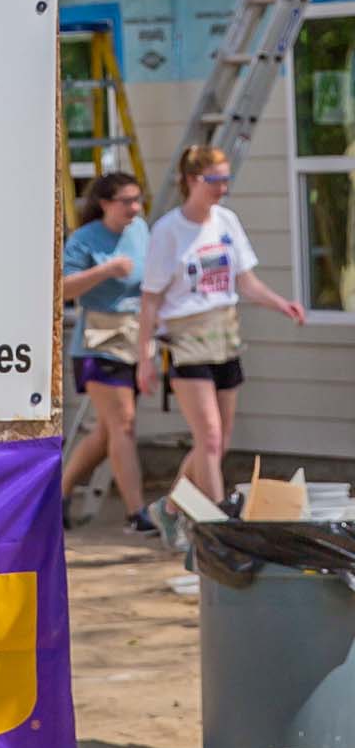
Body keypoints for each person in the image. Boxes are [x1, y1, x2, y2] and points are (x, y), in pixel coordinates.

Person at [137, 144, 305, 508]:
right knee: (209, 436)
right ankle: (218, 519)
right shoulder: (168, 231)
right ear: (193, 180)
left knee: (218, 440)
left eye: (226, 180)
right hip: (186, 338)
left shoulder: (226, 221)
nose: (223, 188)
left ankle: (170, 508)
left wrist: (281, 304)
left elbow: (246, 282)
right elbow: (150, 298)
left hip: (225, 334)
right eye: (216, 180)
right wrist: (144, 358)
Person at [59, 171, 154, 535]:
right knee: (124, 426)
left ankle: (60, 492)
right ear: (104, 204)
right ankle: (137, 513)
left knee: (106, 432)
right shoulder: (85, 239)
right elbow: (63, 289)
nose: (134, 207)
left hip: (135, 337)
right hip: (98, 340)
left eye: (137, 199)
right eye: (126, 201)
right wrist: (106, 270)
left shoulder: (140, 230)